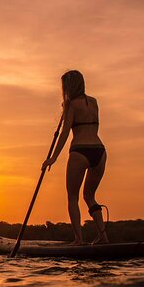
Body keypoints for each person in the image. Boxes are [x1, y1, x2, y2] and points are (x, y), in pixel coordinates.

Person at [42, 70, 109, 245]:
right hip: (100, 151)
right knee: (89, 196)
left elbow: (64, 134)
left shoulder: (71, 104)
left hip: (80, 151)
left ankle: (78, 239)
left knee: (72, 197)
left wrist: (53, 158)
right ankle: (103, 237)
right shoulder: (94, 102)